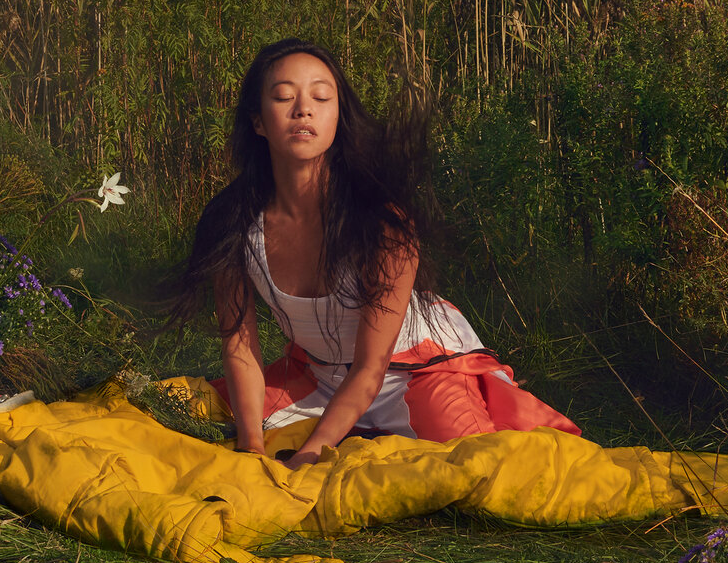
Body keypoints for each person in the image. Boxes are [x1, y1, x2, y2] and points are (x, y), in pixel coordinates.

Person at [175, 38, 578, 466]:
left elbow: (371, 368)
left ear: (337, 118)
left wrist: (310, 454)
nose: (303, 109)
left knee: (474, 463)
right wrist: (250, 448)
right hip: (318, 373)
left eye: (320, 97)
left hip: (416, 370)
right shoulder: (232, 220)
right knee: (194, 415)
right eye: (283, 97)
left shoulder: (384, 224)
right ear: (258, 121)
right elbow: (240, 349)